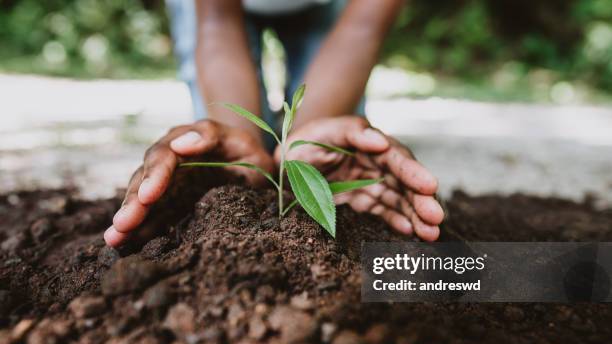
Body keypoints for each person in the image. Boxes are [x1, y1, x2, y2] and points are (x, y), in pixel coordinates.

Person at [104, 0, 444, 247]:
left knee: (332, 134)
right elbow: (217, 21)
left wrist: (303, 149)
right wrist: (241, 149)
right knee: (229, 145)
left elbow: (363, 25)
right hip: (216, 12)